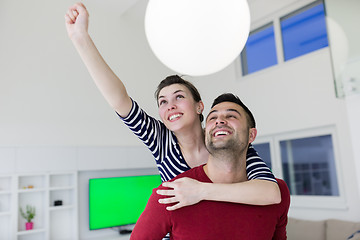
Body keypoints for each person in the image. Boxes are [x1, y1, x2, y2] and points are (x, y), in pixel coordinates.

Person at [64, 2, 280, 211]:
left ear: (199, 106)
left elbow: (271, 193)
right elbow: (119, 99)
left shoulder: (222, 139)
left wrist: (202, 190)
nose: (170, 106)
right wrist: (80, 37)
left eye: (179, 97)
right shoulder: (160, 139)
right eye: (163, 102)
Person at [130, 93, 291, 240]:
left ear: (251, 135)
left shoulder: (278, 191)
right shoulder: (173, 193)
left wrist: (202, 191)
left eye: (231, 116)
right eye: (212, 118)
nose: (220, 121)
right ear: (206, 133)